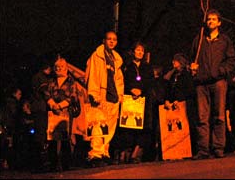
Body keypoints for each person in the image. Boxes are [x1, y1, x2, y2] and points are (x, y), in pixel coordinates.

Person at [189, 9, 235, 159]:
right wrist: (191, 67)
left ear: (219, 23)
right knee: (202, 117)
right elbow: (191, 58)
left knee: (219, 116)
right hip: (201, 83)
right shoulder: (199, 39)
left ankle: (218, 147)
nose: (211, 22)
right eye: (209, 19)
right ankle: (203, 149)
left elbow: (232, 60)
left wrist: (221, 71)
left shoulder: (225, 41)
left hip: (218, 82)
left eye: (214, 19)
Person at [84, 31, 124, 167]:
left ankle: (104, 152)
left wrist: (120, 96)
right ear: (104, 40)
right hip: (100, 97)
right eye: (109, 39)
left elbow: (119, 80)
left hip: (113, 98)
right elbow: (93, 75)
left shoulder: (116, 59)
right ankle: (95, 154)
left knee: (110, 128)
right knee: (97, 126)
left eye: (114, 39)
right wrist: (94, 93)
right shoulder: (97, 56)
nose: (112, 41)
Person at [113, 41, 154, 164]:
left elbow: (150, 82)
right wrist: (131, 89)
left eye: (142, 50)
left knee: (142, 127)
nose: (140, 52)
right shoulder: (127, 66)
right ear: (133, 51)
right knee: (128, 127)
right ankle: (125, 152)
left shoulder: (147, 67)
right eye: (138, 50)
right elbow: (122, 81)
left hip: (143, 101)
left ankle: (137, 152)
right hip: (129, 100)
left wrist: (141, 90)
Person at [45, 57, 86, 171]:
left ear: (66, 68)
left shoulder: (71, 81)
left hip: (66, 112)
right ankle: (53, 164)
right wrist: (52, 104)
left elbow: (72, 96)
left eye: (61, 67)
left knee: (65, 138)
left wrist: (60, 105)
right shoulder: (51, 81)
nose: (59, 69)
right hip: (53, 112)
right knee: (52, 138)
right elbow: (47, 94)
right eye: (57, 67)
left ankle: (65, 164)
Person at [163, 53, 197, 155]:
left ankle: (191, 150)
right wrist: (167, 100)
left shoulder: (186, 75)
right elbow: (169, 89)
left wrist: (180, 99)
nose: (173, 62)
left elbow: (190, 90)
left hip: (185, 106)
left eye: (175, 61)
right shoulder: (173, 76)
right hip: (174, 105)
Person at [30, 61, 53, 172]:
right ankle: (41, 163)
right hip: (41, 108)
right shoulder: (42, 77)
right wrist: (52, 102)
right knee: (41, 134)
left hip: (35, 108)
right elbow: (45, 92)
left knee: (38, 134)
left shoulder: (35, 77)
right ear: (47, 68)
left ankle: (36, 163)